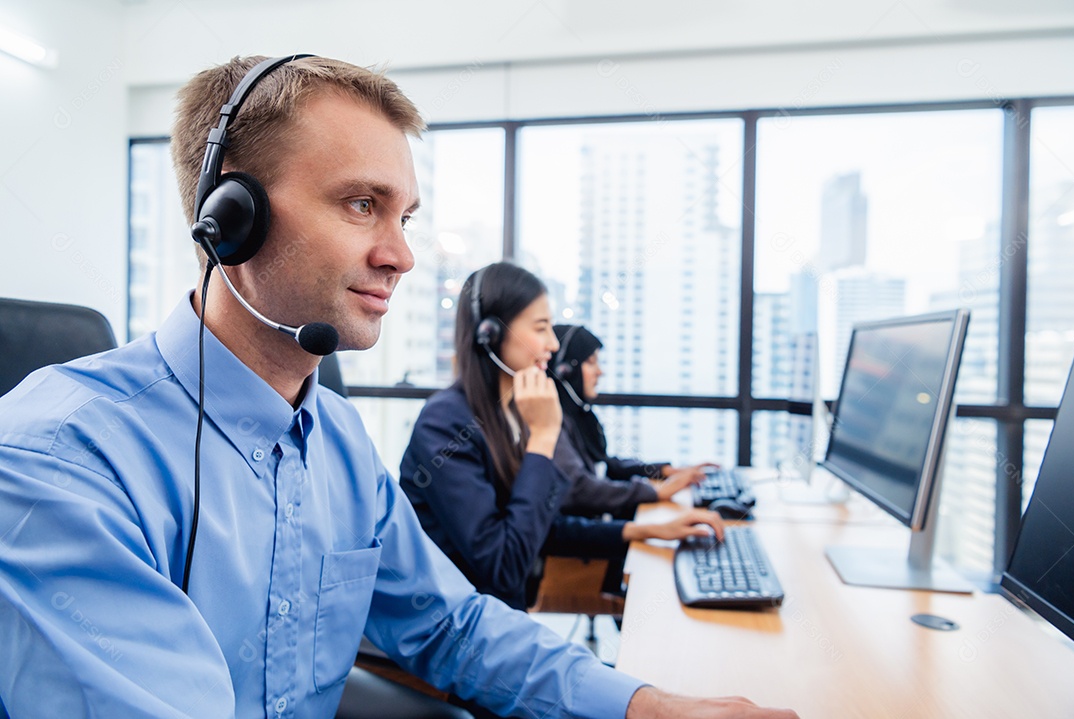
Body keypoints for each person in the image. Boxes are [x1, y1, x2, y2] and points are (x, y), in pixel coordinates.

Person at [0, 54, 797, 719]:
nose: (401, 256)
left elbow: (450, 626)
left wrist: (647, 705)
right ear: (230, 216)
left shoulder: (338, 440)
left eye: (404, 217)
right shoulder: (54, 459)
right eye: (360, 204)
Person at [399, 262, 724, 611]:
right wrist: (544, 435)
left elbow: (542, 527)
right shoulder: (445, 423)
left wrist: (647, 531)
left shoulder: (512, 413)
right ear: (490, 335)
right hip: (449, 622)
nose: (553, 344)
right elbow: (503, 567)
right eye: (541, 328)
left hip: (496, 617)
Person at [552, 322, 716, 518]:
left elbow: (605, 465)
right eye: (591, 362)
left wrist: (664, 471)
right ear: (565, 371)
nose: (600, 371)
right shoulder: (554, 422)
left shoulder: (580, 417)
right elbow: (581, 488)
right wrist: (655, 492)